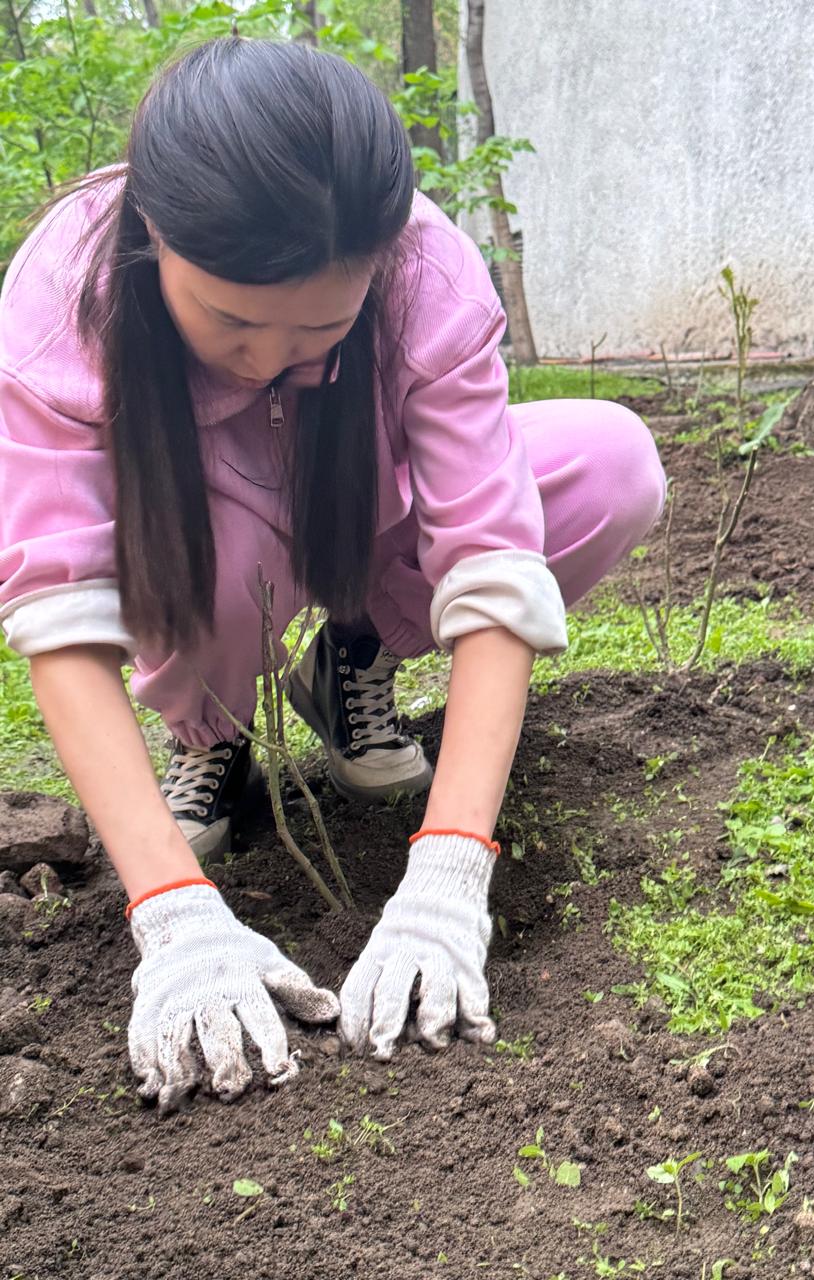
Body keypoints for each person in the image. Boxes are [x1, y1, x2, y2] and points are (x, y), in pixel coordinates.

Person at [0, 37, 666, 1113]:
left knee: (609, 462)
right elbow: (59, 612)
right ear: (157, 237)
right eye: (230, 321)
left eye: (321, 325)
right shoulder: (65, 290)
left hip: (368, 504)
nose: (270, 358)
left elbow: (494, 561)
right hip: (201, 532)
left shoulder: (424, 265)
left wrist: (451, 874)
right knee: (227, 557)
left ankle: (350, 655)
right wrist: (170, 908)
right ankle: (212, 736)